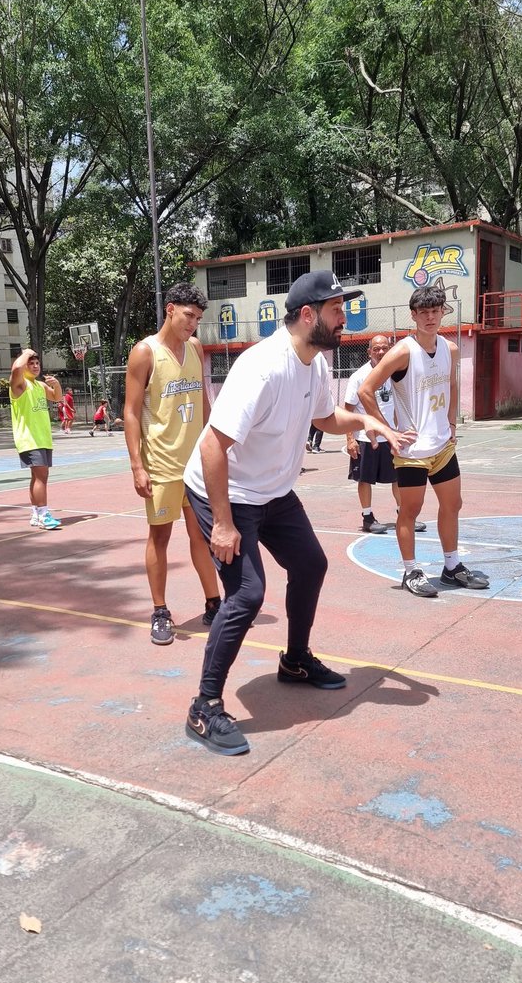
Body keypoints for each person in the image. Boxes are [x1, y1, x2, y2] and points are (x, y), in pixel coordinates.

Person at [182, 270, 415, 756]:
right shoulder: (262, 367)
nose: (344, 317)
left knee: (311, 564)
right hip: (224, 492)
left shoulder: (315, 364)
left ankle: (295, 661)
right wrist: (222, 522)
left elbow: (326, 419)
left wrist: (369, 419)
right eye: (336, 309)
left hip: (272, 493)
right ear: (308, 315)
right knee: (247, 594)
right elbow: (211, 445)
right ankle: (204, 706)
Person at [358, 286, 489, 598]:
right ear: (413, 315)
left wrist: (452, 421)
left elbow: (452, 384)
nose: (430, 317)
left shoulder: (450, 349)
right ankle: (411, 571)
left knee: (452, 504)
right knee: (410, 511)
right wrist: (388, 429)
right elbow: (366, 389)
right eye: (423, 312)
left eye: (435, 311)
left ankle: (452, 566)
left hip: (442, 445)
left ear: (443, 311)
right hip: (412, 450)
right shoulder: (403, 351)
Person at [124, 282, 221, 646]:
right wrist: (137, 465)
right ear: (170, 309)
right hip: (161, 464)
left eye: (197, 318)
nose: (193, 324)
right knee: (160, 537)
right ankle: (160, 610)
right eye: (188, 316)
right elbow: (131, 413)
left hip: (194, 464)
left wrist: (214, 444)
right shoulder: (144, 353)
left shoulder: (195, 348)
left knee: (202, 535)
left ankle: (214, 602)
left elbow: (205, 403)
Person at [345, 333, 427, 535]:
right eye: (376, 349)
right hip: (366, 438)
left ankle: (404, 514)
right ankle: (368, 517)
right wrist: (350, 439)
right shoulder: (359, 376)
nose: (381, 352)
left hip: (391, 437)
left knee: (398, 477)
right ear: (369, 352)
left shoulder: (395, 374)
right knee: (365, 479)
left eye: (384, 348)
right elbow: (347, 410)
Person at [9, 348, 62, 530]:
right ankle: (44, 514)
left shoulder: (39, 385)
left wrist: (57, 385)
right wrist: (26, 353)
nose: (35, 366)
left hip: (43, 438)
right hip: (29, 439)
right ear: (24, 365)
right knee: (42, 477)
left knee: (37, 477)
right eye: (31, 363)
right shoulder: (20, 385)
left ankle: (36, 514)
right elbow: (16, 369)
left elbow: (56, 397)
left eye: (37, 363)